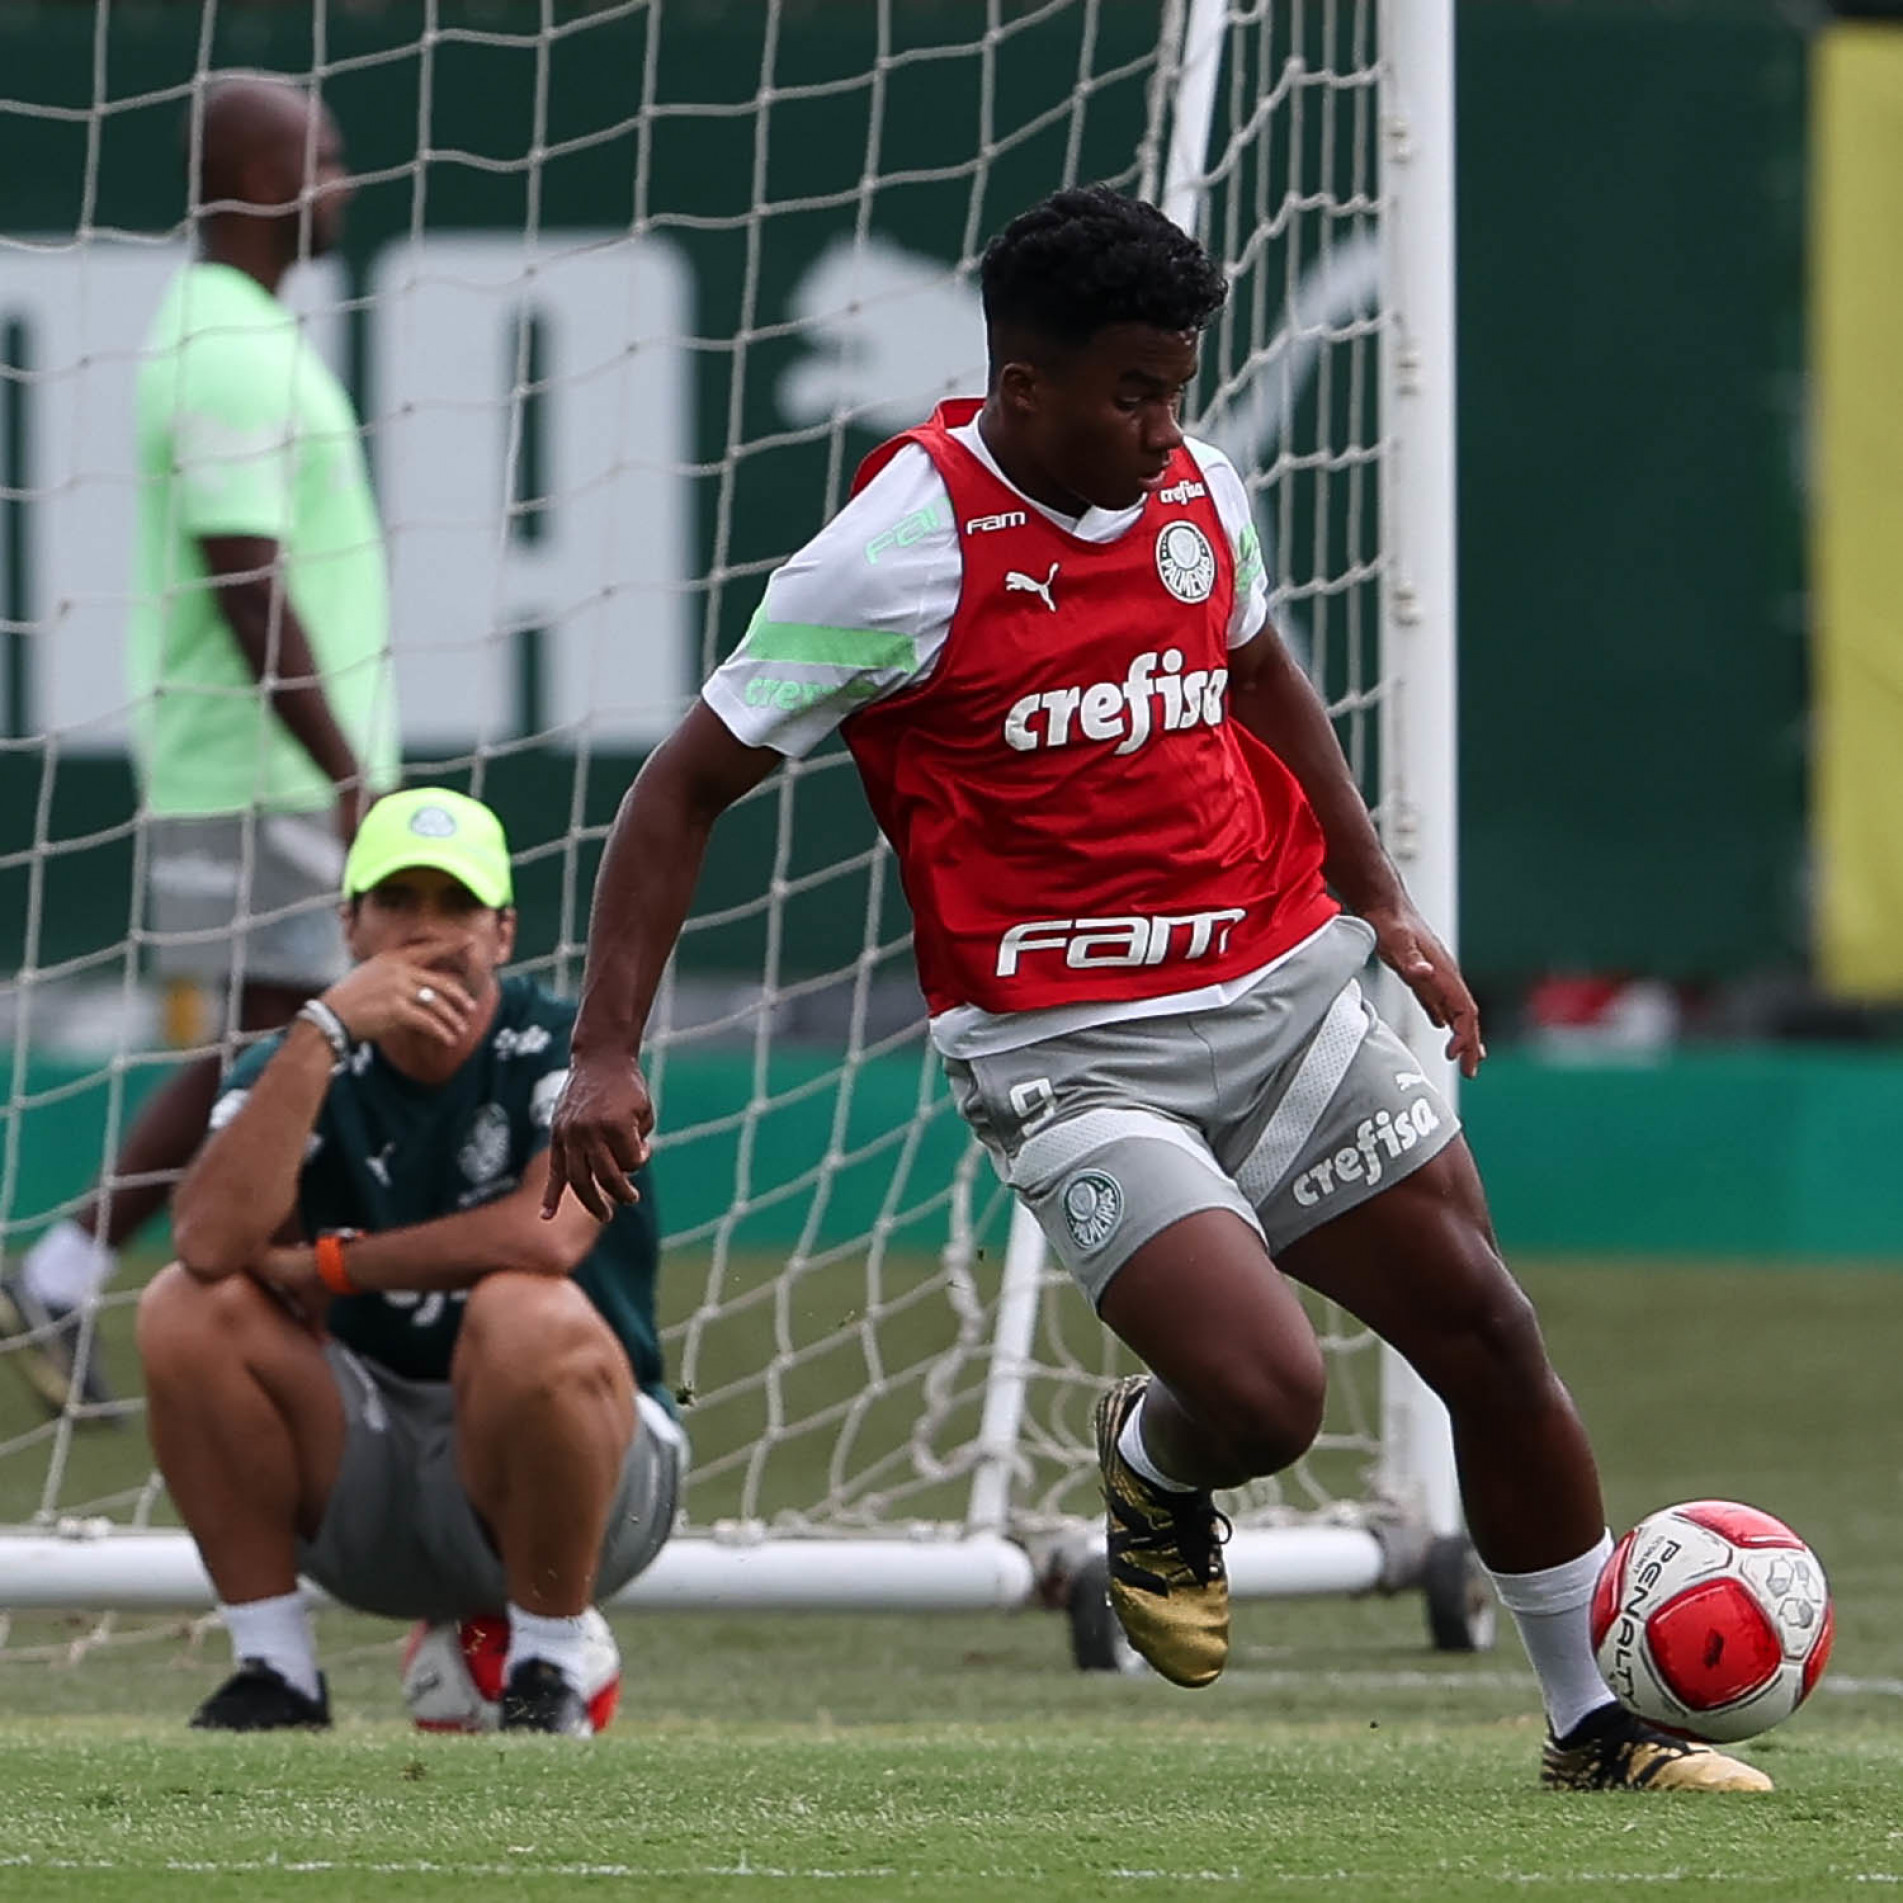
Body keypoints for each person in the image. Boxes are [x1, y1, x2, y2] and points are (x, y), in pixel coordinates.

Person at [542, 187, 1771, 1792]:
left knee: (1483, 1323)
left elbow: (1256, 670)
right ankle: (1151, 1452)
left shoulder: (1196, 488)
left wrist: (1380, 899)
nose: (1158, 426)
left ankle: (1590, 1725)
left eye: (1176, 387)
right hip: (1068, 1045)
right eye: (1129, 391)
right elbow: (681, 786)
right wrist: (606, 1049)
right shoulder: (896, 546)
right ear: (1019, 378)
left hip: (1275, 978)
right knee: (1267, 1397)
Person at [1, 74, 398, 1415]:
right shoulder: (228, 345)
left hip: (258, 767)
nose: (346, 182)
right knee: (291, 1038)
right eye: (326, 158)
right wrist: (344, 769)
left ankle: (84, 1261)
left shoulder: (237, 327)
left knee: (275, 1034)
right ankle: (206, 1283)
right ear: (259, 177)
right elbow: (245, 579)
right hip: (261, 773)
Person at [139, 787, 679, 1734]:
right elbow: (207, 1243)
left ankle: (546, 1671)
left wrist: (336, 1267)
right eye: (397, 902)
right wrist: (322, 1033)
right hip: (376, 1460)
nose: (426, 932)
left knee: (523, 1309)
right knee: (181, 1307)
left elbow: (547, 1234)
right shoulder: (292, 1061)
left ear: (503, 932)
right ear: (349, 925)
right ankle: (276, 1673)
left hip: (592, 1478)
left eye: (455, 905)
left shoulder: (572, 1049)